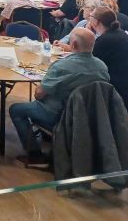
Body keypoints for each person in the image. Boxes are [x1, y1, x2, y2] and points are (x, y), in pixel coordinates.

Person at [10, 28, 110, 167]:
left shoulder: (61, 66)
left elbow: (39, 95)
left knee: (16, 109)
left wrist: (42, 86)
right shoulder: (102, 66)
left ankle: (34, 155)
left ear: (73, 45)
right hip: (90, 115)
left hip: (59, 115)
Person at [88, 7, 128, 115]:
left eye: (91, 17)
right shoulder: (118, 34)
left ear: (97, 21)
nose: (89, 19)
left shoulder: (105, 40)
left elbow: (89, 65)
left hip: (127, 97)